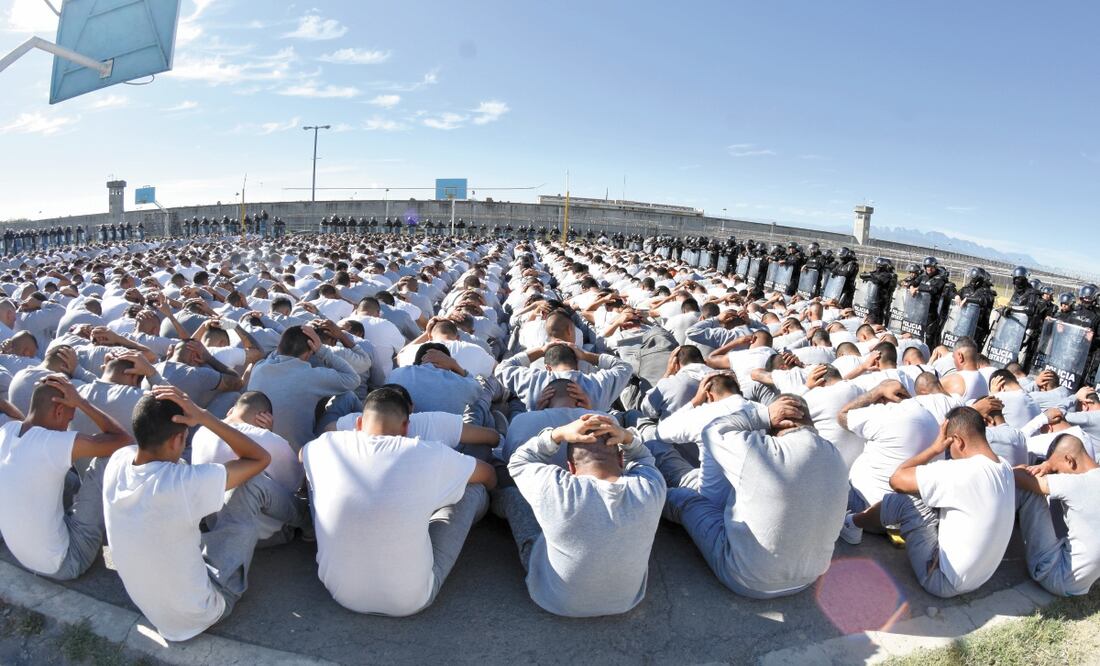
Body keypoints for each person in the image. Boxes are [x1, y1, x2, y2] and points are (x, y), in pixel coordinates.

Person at [104, 385, 302, 641]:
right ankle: (307, 524)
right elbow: (259, 460)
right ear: (177, 439)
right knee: (251, 485)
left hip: (154, 612)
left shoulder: (118, 460)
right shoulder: (182, 484)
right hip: (206, 609)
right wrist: (207, 417)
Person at [301, 387, 497, 616]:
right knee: (473, 489)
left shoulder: (324, 446)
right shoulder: (429, 452)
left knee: (313, 474)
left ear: (358, 425)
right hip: (409, 601)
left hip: (340, 592)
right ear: (406, 427)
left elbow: (302, 454)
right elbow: (487, 474)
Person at [663, 395, 848, 598]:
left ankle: (654, 493)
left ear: (777, 422)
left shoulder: (761, 451)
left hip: (749, 579)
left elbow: (712, 430)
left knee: (686, 499)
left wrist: (764, 415)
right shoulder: (835, 455)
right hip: (809, 577)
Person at [494, 413, 665, 617]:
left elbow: (519, 461)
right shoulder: (652, 485)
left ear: (571, 467)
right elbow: (644, 457)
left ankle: (493, 502)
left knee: (514, 497)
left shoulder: (555, 487)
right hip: (626, 601)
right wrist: (628, 438)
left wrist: (557, 434)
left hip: (556, 600)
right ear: (621, 459)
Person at [842, 407, 1014, 598]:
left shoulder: (963, 472)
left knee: (905, 501)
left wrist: (934, 448)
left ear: (957, 440)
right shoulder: (1004, 466)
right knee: (930, 495)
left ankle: (851, 523)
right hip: (980, 578)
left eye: (949, 446)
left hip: (941, 579)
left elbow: (897, 480)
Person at [0, 375, 132, 580]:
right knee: (108, 460)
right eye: (69, 419)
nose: (68, 426)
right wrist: (81, 402)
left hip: (23, 557)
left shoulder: (6, 431)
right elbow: (123, 441)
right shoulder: (53, 443)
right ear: (59, 410)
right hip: (65, 563)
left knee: (68, 480)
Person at [247, 324, 361, 450]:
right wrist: (322, 350)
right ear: (308, 354)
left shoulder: (259, 367)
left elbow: (277, 354)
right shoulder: (313, 376)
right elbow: (353, 379)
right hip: (300, 455)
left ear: (279, 347)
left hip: (257, 447)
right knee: (348, 396)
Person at [1014, 434, 1100, 596]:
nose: (1055, 475)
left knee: (1032, 490)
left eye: (1056, 471)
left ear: (1070, 460)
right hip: (1087, 579)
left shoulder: (1075, 484)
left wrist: (1043, 467)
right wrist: (1051, 465)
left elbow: (1018, 476)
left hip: (1059, 577)